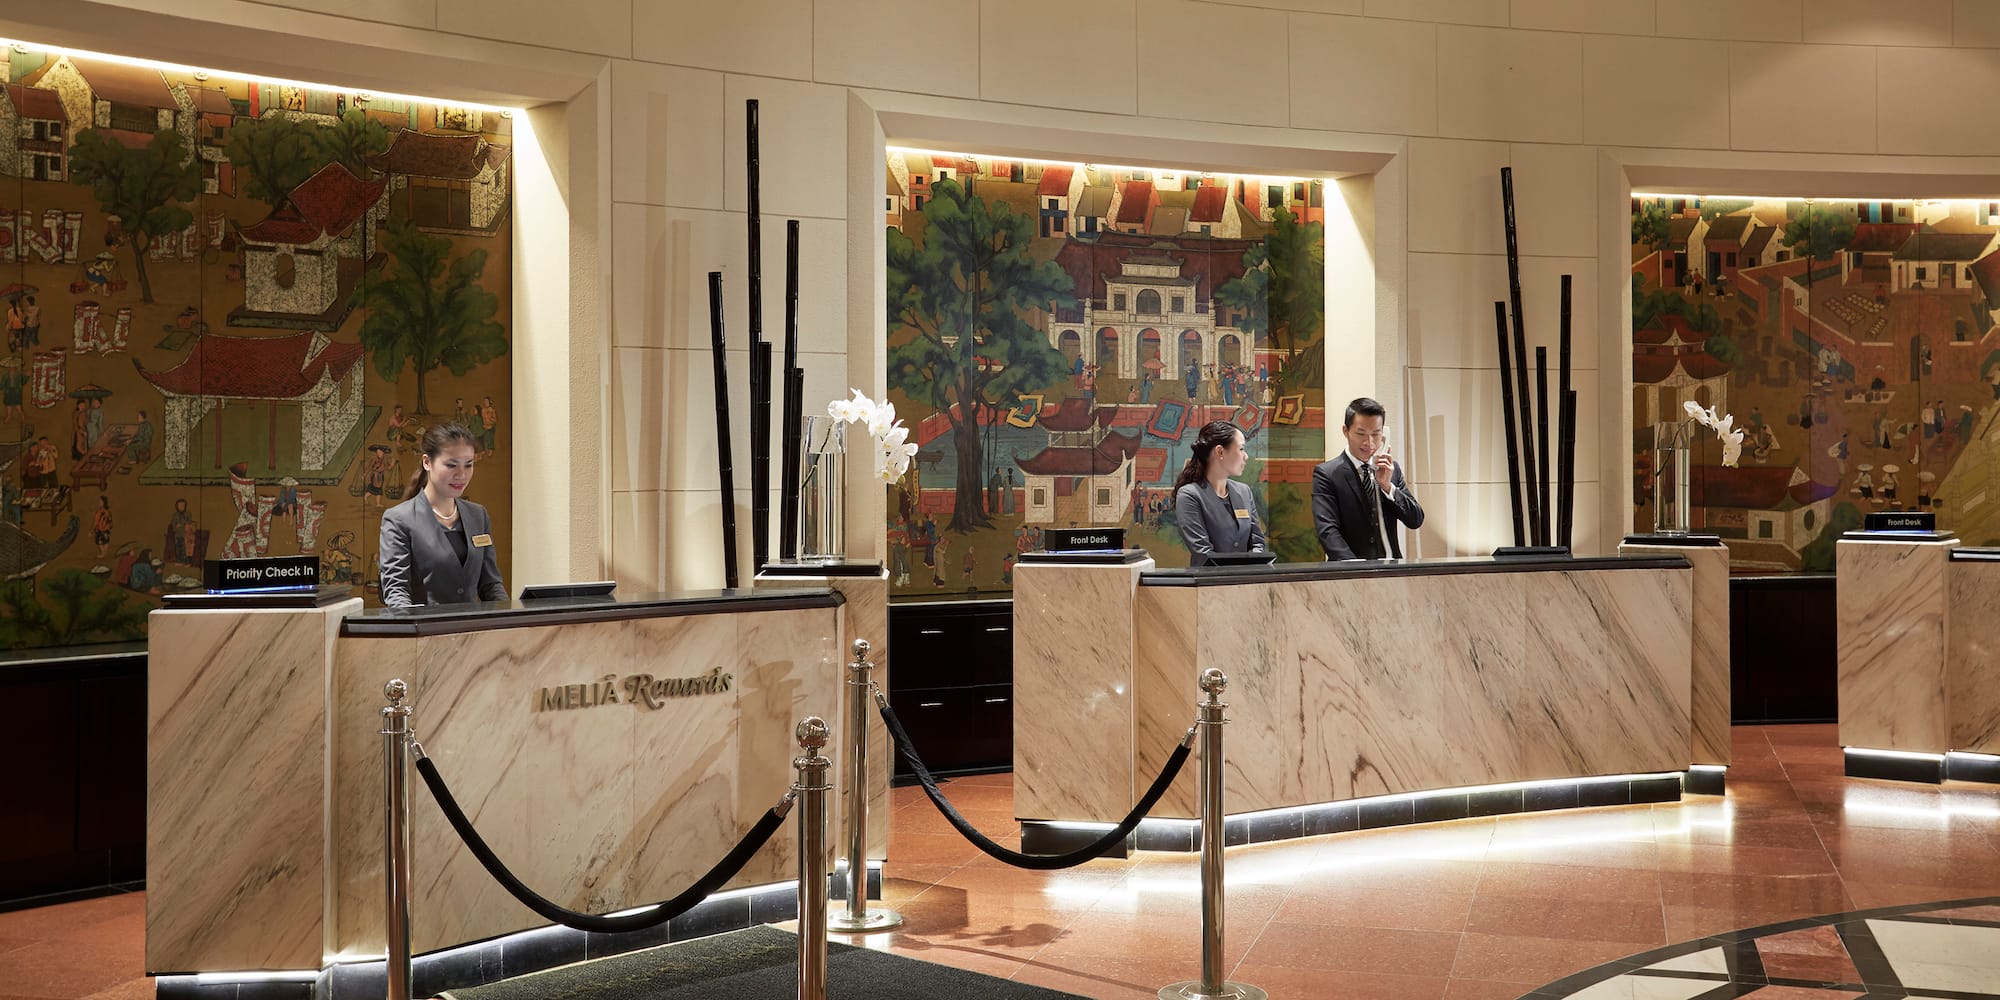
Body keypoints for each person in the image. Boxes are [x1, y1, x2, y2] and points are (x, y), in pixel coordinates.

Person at [377, 423, 506, 608]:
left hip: (472, 632)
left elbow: (491, 585)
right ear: (427, 462)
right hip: (425, 631)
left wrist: (510, 621)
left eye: (468, 465)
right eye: (451, 465)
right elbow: (396, 590)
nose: (461, 475)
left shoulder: (478, 515)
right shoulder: (399, 519)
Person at [1311, 397, 1424, 560]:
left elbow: (1415, 520)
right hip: (1351, 574)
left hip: (1392, 572)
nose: (1369, 442)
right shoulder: (1327, 474)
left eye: (1376, 434)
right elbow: (1327, 532)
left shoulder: (1392, 470)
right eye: (1361, 433)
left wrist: (1387, 487)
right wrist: (1358, 572)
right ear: (1345, 431)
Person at [1172, 420, 1265, 568]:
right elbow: (1203, 553)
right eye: (1241, 449)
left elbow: (1258, 542)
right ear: (1220, 452)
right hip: (1209, 585)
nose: (1246, 456)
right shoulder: (1189, 495)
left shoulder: (1244, 491)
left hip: (1247, 583)